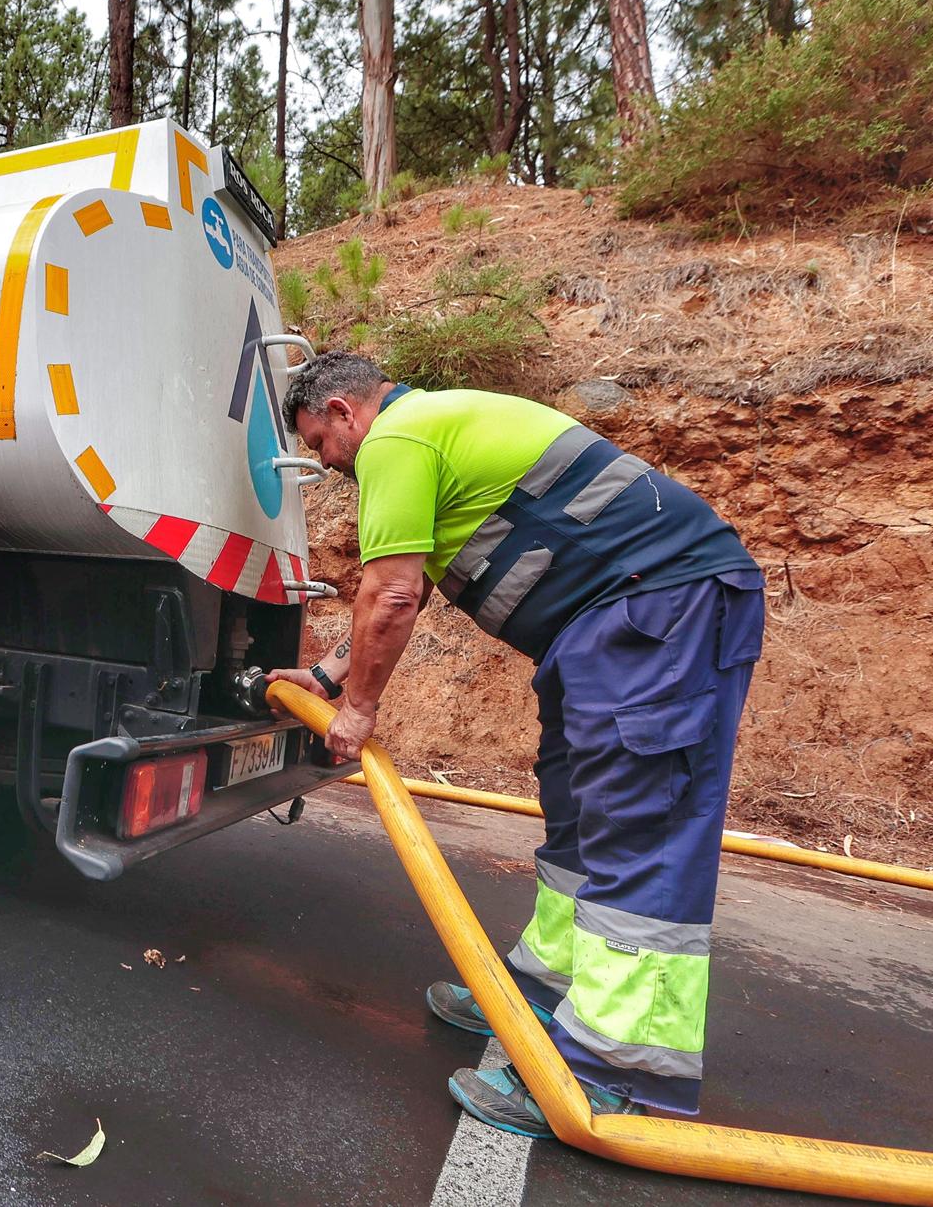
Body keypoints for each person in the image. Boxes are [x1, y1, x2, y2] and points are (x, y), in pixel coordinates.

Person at [270, 352, 764, 1139]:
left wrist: (356, 709)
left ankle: (610, 1076)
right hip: (610, 624)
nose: (328, 464)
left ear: (343, 411)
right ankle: (538, 991)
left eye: (319, 443)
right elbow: (418, 576)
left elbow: (392, 593)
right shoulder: (433, 430)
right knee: (579, 814)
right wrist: (331, 674)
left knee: (639, 827)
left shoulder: (398, 438)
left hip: (661, 611)